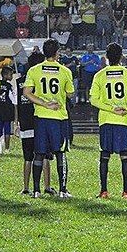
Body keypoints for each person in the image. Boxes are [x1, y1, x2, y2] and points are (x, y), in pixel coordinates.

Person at [24, 38, 75, 198]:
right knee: (60, 153)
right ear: (57, 52)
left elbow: (26, 92)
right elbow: (70, 93)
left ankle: (37, 191)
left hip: (40, 117)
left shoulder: (34, 70)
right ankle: (63, 189)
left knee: (39, 153)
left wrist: (44, 103)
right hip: (59, 117)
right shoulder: (65, 71)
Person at [90, 42, 127, 199]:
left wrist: (111, 108)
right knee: (125, 156)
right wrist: (121, 105)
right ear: (121, 57)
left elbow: (93, 100)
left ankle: (104, 191)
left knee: (105, 156)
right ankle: (126, 191)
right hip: (123, 120)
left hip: (105, 120)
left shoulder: (99, 75)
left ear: (106, 57)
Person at [17, 52, 54, 196]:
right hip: (40, 121)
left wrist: (17, 122)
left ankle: (26, 187)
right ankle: (47, 186)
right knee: (43, 156)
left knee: (27, 157)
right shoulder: (40, 77)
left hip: (25, 122)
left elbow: (17, 102)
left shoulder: (20, 81)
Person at [0, 66, 16, 154]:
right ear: (5, 75)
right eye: (11, 74)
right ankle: (7, 149)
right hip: (7, 111)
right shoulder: (9, 86)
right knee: (7, 130)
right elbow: (13, 99)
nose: (12, 76)